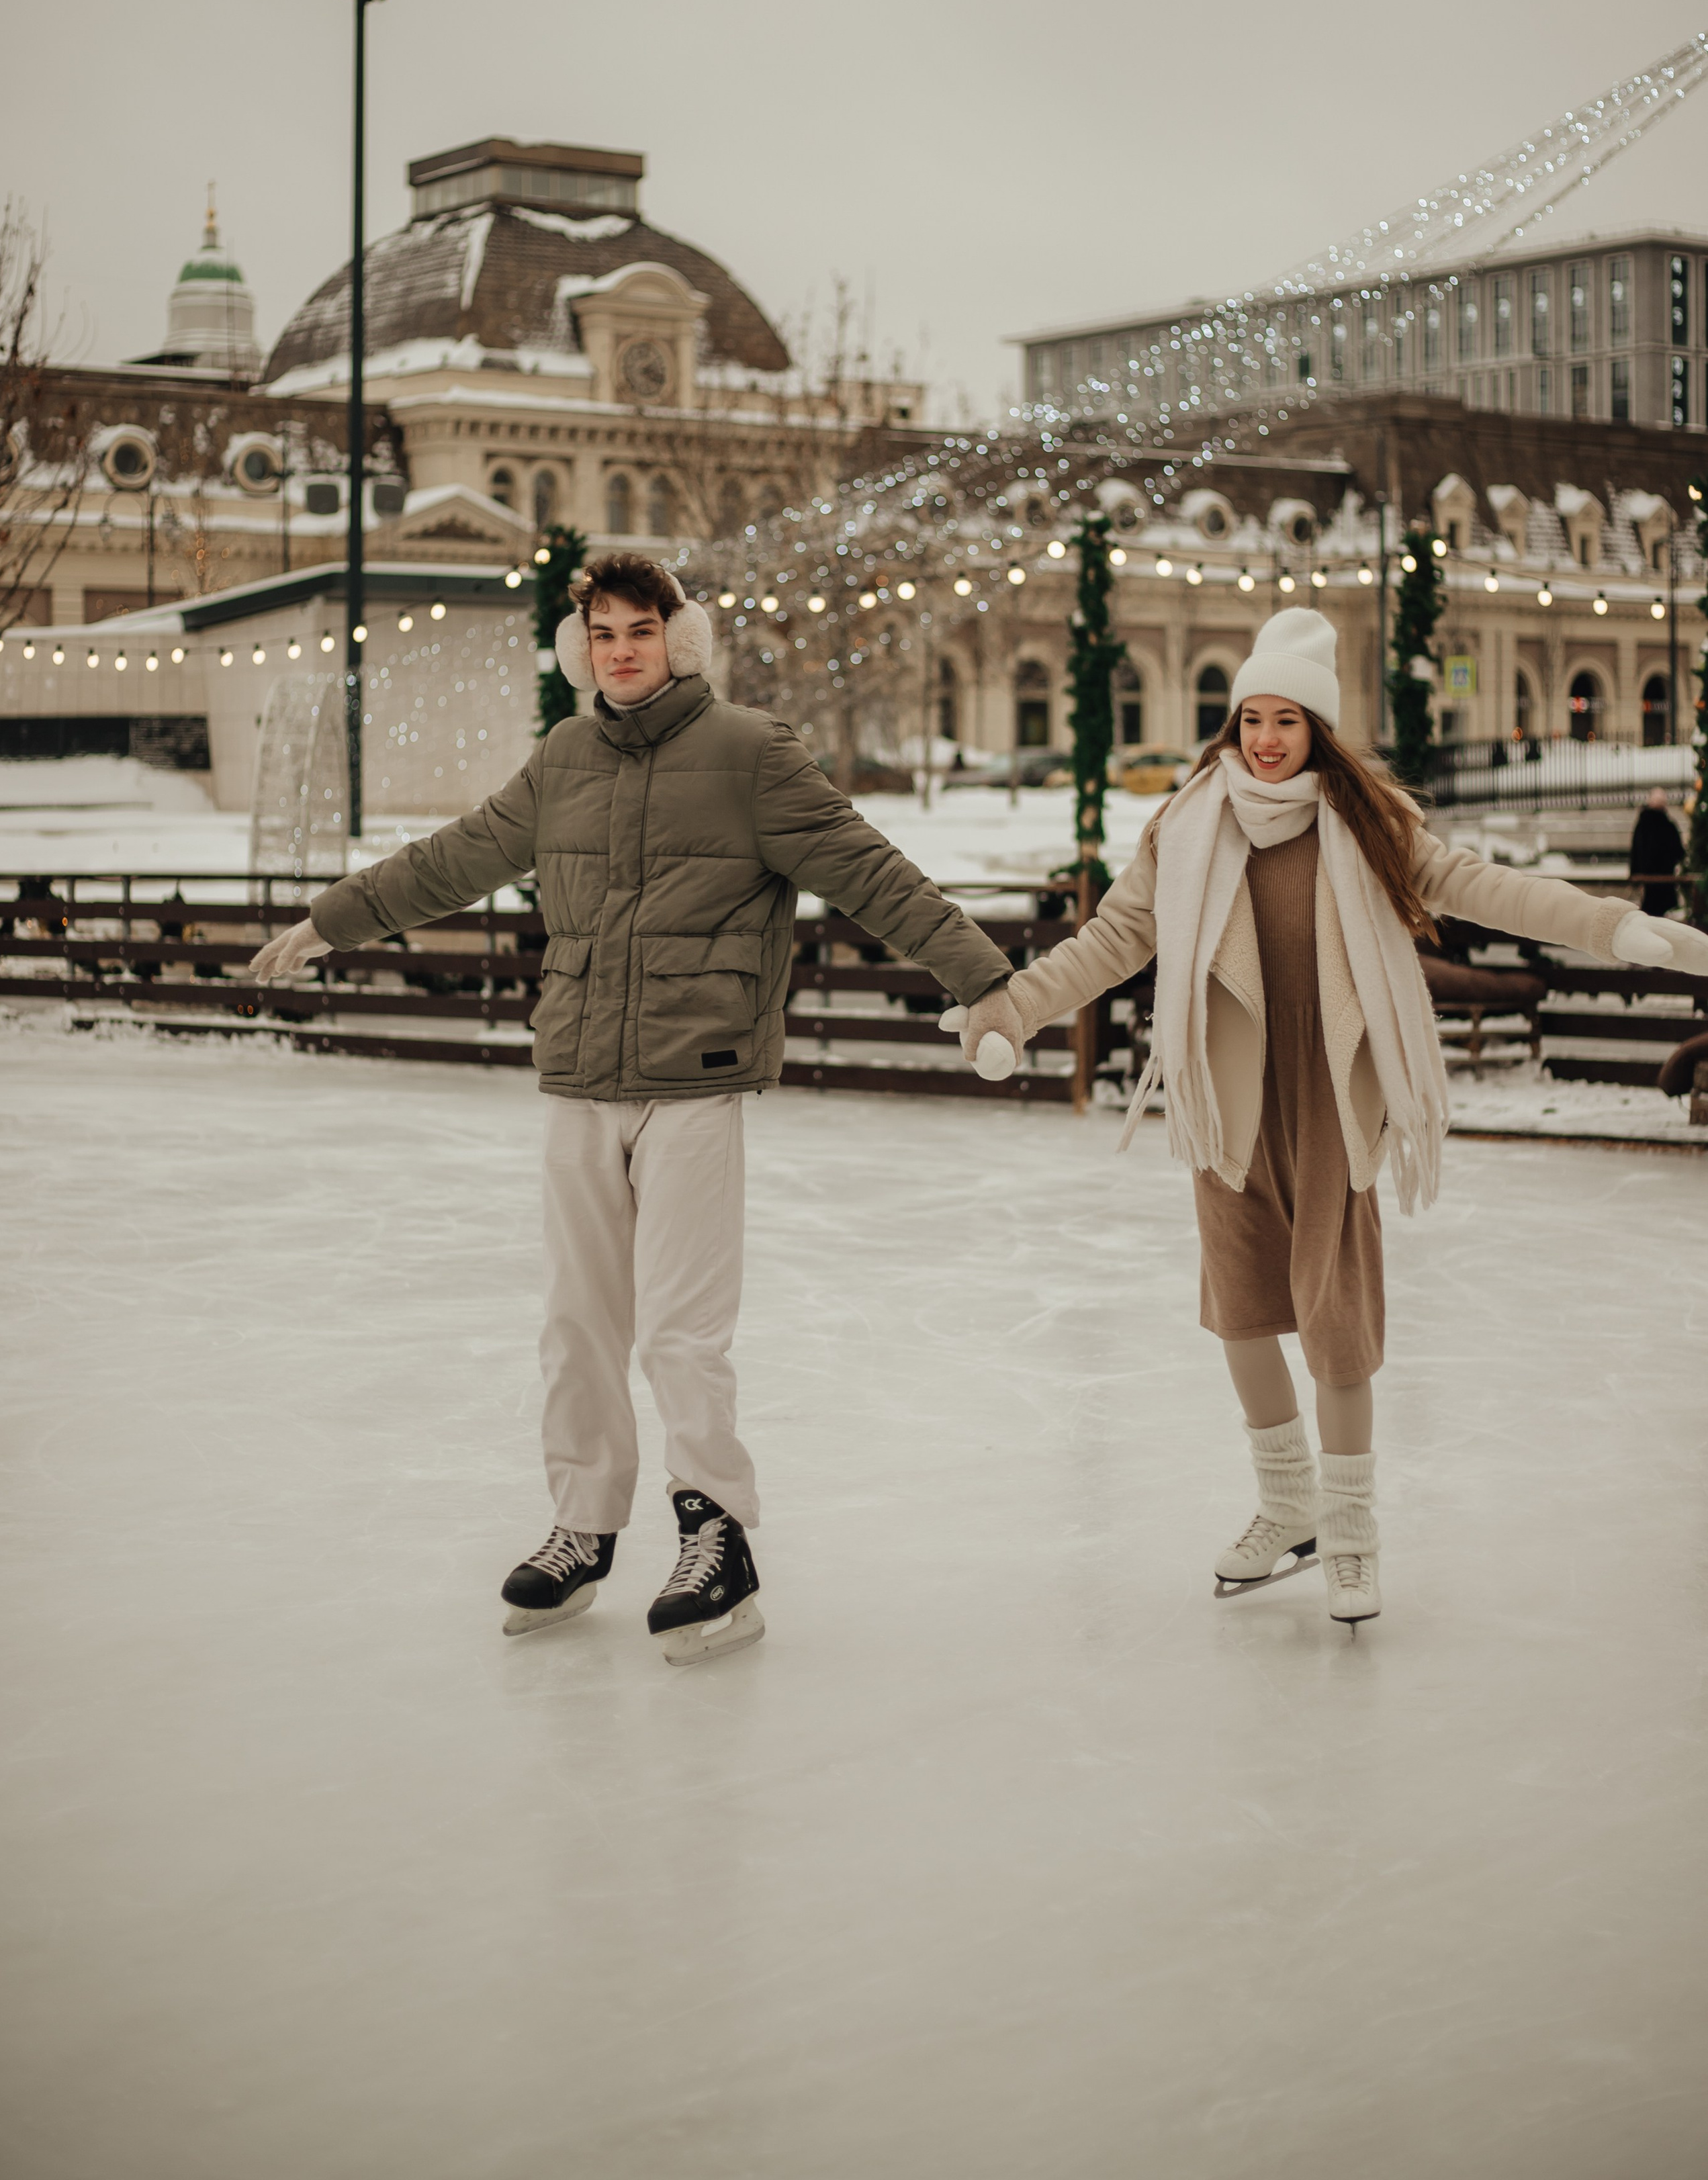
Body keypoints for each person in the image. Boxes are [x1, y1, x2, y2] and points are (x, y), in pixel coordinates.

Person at [253, 555, 1014, 1664]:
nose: (621, 649)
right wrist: (333, 921)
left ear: (678, 640)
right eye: (602, 632)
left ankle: (716, 1535)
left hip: (694, 1079)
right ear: (581, 650)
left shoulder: (750, 753)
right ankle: (583, 1523)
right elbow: (458, 857)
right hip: (576, 1076)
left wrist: (983, 979)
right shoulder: (563, 757)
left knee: (680, 1335)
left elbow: (870, 870)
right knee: (576, 1325)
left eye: (641, 630)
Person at [948, 609, 1708, 1627]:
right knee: (1244, 1307)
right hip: (1228, 1098)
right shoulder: (1186, 826)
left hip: (1333, 1093)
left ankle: (1351, 1531)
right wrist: (1019, 1006)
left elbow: (1485, 887)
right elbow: (1113, 940)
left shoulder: (1370, 824)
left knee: (1336, 1324)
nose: (1265, 739)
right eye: (1250, 718)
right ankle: (1288, 1508)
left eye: (1287, 720)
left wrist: (1614, 926)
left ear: (1320, 729)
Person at [1629, 786, 1685, 917]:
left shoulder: (1642, 825)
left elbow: (1635, 852)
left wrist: (1634, 874)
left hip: (1647, 882)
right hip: (1666, 882)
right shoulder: (1669, 826)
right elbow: (1679, 852)